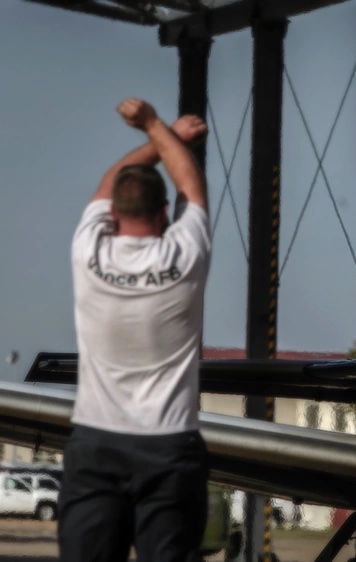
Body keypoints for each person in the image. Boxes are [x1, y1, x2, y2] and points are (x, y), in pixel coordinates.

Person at [59, 98, 211, 561]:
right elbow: (192, 185)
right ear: (165, 213)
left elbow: (109, 183)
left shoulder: (88, 253)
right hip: (168, 446)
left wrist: (159, 135)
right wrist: (158, 128)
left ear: (112, 212)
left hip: (96, 441)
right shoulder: (183, 257)